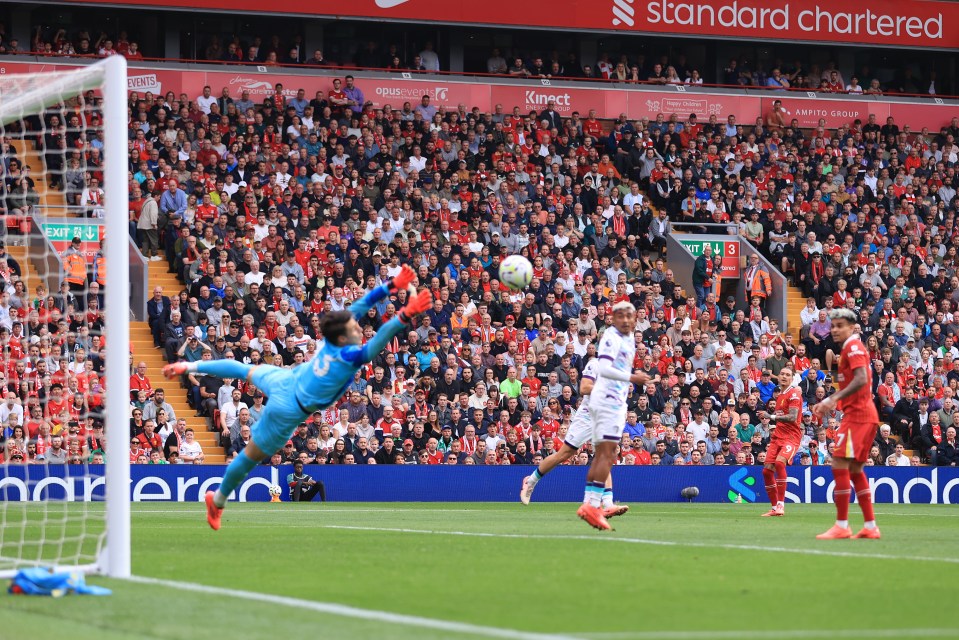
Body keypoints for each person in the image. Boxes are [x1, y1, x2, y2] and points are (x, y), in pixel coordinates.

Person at [163, 265, 431, 530]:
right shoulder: (350, 357)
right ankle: (218, 501)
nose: (360, 329)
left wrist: (390, 286)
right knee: (249, 456)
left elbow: (360, 306)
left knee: (243, 370)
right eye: (355, 328)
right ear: (344, 334)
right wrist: (406, 314)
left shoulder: (334, 342)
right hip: (289, 407)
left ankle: (187, 366)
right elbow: (379, 340)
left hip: (286, 378)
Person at [519, 358, 627, 519]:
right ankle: (531, 481)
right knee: (564, 454)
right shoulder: (595, 364)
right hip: (587, 416)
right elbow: (584, 388)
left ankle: (608, 504)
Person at [577, 301, 649, 530]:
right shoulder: (611, 336)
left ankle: (589, 503)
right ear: (612, 318)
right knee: (608, 456)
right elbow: (605, 368)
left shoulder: (628, 338)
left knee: (603, 456)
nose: (626, 320)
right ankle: (593, 506)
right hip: (607, 402)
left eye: (630, 316)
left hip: (614, 401)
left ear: (636, 318)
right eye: (621, 316)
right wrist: (632, 377)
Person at [812, 308, 881, 540]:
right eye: (832, 326)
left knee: (839, 463)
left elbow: (861, 379)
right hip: (862, 415)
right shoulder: (851, 348)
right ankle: (870, 526)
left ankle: (842, 525)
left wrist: (832, 399)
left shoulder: (852, 347)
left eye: (840, 325)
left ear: (852, 328)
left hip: (859, 416)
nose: (834, 330)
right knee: (854, 470)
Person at [758, 366, 802, 516]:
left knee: (779, 463)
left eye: (787, 375)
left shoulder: (794, 393)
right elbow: (781, 416)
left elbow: (792, 417)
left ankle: (781, 505)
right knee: (766, 471)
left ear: (792, 378)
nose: (784, 376)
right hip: (778, 436)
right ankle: (774, 508)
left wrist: (770, 417)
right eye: (782, 374)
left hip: (791, 437)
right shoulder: (780, 395)